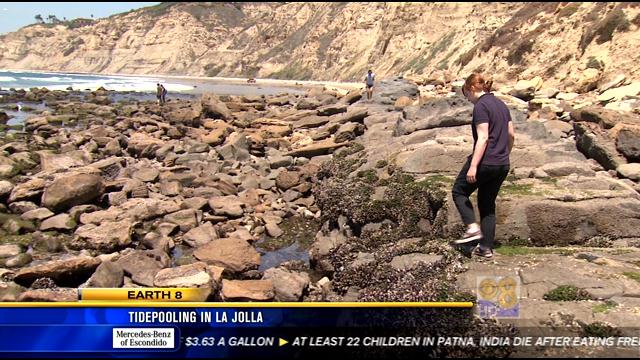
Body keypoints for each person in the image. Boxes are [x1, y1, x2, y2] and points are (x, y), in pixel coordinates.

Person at [450, 73, 515, 259]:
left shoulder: (481, 106)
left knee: (459, 192)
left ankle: (471, 228)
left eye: (466, 95)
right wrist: (504, 154)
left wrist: (473, 166)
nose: (467, 99)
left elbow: (483, 138)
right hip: (502, 163)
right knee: (487, 204)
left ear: (472, 88)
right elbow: (511, 134)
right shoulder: (501, 105)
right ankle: (486, 248)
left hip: (485, 162)